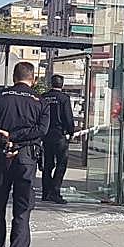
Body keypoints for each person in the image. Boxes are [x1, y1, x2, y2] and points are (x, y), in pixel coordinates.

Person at [0, 62, 50, 247]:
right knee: (22, 209)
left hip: (0, 159)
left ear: (13, 77)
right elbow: (42, 130)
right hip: (25, 159)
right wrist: (17, 138)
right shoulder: (40, 101)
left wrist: (4, 140)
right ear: (34, 78)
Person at [40, 74, 76, 204]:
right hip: (59, 135)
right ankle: (55, 192)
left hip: (46, 135)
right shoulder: (64, 98)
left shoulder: (43, 97)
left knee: (48, 165)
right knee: (61, 164)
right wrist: (71, 131)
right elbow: (68, 117)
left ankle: (45, 192)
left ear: (51, 83)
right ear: (62, 84)